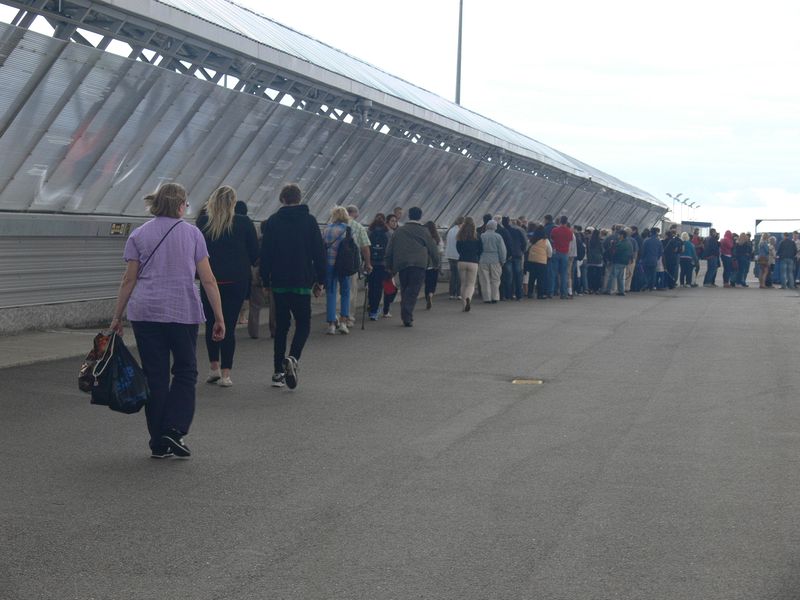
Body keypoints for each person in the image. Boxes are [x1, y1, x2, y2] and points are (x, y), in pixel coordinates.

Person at [109, 182, 225, 459]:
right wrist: (218, 317)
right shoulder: (193, 234)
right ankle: (174, 429)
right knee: (185, 371)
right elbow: (207, 279)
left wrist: (116, 316)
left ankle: (158, 442)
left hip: (146, 313)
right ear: (181, 205)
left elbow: (129, 279)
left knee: (155, 375)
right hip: (182, 312)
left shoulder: (139, 234)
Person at [260, 183, 326, 389]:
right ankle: (293, 358)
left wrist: (265, 280)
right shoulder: (309, 221)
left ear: (282, 199)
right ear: (299, 198)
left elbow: (266, 254)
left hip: (279, 282)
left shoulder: (272, 222)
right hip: (301, 282)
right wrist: (320, 280)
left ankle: (278, 372)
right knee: (303, 324)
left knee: (281, 326)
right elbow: (319, 253)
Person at [196, 186, 258, 387]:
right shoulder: (243, 222)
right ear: (233, 202)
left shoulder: (203, 222)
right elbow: (255, 253)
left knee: (211, 322)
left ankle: (213, 367)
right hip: (236, 280)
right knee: (228, 325)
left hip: (209, 280)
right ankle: (226, 374)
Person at [384, 206, 440, 327]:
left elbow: (390, 249)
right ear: (420, 216)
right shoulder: (424, 231)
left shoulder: (399, 230)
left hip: (402, 264)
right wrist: (437, 264)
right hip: (419, 264)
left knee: (405, 288)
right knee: (413, 289)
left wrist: (388, 265)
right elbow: (433, 248)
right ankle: (407, 315)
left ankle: (405, 310)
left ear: (409, 215)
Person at [323, 206, 353, 334]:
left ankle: (331, 324)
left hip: (329, 263)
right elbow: (353, 248)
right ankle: (343, 322)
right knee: (345, 292)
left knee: (331, 292)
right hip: (344, 265)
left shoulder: (327, 229)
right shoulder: (348, 230)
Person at [345, 205, 373, 324]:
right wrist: (368, 263)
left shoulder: (333, 224)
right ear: (355, 214)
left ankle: (336, 316)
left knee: (337, 291)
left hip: (335, 264)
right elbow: (365, 247)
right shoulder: (358, 227)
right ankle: (349, 317)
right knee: (351, 290)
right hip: (352, 264)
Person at [366, 214, 390, 320]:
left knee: (371, 286)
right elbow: (390, 249)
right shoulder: (388, 233)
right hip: (382, 264)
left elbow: (364, 247)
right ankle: (374, 311)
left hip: (370, 263)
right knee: (379, 287)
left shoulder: (369, 232)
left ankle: (371, 307)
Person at [456, 216, 482, 312]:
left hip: (462, 261)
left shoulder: (460, 236)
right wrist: (476, 255)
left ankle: (463, 305)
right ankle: (468, 299)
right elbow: (481, 249)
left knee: (463, 284)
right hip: (473, 261)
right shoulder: (477, 236)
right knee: (471, 284)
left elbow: (458, 248)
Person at [478, 220, 507, 303]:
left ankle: (487, 298)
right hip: (495, 259)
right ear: (495, 227)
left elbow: (479, 248)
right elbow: (502, 250)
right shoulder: (498, 236)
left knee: (484, 280)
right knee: (495, 279)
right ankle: (495, 297)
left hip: (483, 259)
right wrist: (502, 260)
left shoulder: (482, 236)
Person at [550, 216, 574, 299]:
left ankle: (551, 292)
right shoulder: (569, 232)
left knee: (553, 273)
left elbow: (552, 239)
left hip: (556, 252)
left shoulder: (555, 230)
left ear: (560, 221)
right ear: (567, 222)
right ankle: (563, 294)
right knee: (564, 274)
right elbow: (570, 241)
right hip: (565, 253)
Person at [604, 229, 632, 296]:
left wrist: (612, 244)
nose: (618, 236)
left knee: (612, 276)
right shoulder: (628, 242)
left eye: (619, 234)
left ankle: (608, 290)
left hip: (618, 261)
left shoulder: (622, 243)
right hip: (624, 262)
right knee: (620, 277)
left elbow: (615, 251)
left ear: (622, 235)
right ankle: (621, 291)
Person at [526, 226, 550, 298]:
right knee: (541, 278)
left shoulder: (531, 240)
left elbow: (526, 248)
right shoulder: (546, 241)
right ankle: (540, 294)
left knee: (532, 277)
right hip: (542, 261)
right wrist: (548, 257)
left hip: (532, 260)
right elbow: (550, 251)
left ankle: (530, 293)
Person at [423, 221, 443, 309]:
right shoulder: (437, 238)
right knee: (433, 282)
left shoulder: (423, 237)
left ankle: (427, 296)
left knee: (427, 282)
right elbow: (440, 251)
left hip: (424, 263)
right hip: (434, 263)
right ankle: (431, 294)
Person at [444, 217, 464, 299]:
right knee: (459, 275)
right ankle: (458, 293)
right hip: (457, 255)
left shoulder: (450, 230)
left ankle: (451, 293)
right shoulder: (460, 231)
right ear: (462, 223)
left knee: (453, 275)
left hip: (450, 255)